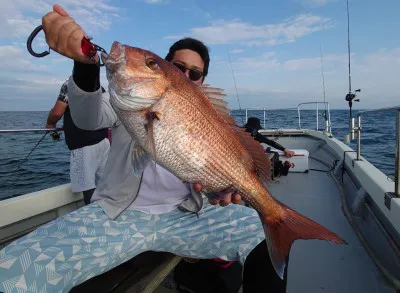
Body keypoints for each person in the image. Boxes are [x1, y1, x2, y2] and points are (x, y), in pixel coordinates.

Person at [0, 4, 288, 293]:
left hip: (187, 216)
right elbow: (88, 119)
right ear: (166, 69)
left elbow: (220, 165)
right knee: (15, 271)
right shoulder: (125, 104)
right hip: (120, 215)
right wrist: (85, 66)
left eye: (196, 73)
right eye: (177, 67)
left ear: (202, 81)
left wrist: (225, 189)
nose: (186, 75)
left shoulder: (207, 117)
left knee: (260, 236)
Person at [45, 82, 111, 205]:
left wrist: (50, 123)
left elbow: (57, 113)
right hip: (103, 141)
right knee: (104, 184)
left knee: (88, 189)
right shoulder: (99, 87)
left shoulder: (69, 85)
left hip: (83, 145)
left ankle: (91, 221)